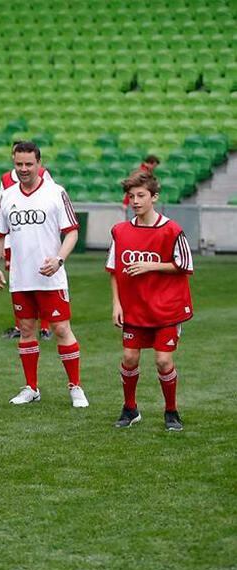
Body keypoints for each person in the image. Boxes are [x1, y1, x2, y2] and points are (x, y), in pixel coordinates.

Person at [0, 141, 89, 408]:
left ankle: (75, 387)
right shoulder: (8, 196)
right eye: (18, 164)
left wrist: (59, 259)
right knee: (26, 329)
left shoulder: (56, 193)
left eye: (28, 164)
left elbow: (72, 231)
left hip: (51, 278)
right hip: (20, 278)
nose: (23, 169)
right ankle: (31, 388)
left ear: (39, 164)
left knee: (61, 329)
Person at [107, 170, 193, 431]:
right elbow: (114, 270)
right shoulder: (120, 231)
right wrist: (117, 304)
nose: (135, 201)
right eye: (131, 196)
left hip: (167, 308)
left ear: (154, 197)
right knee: (129, 357)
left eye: (141, 195)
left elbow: (185, 264)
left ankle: (171, 412)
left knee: (163, 361)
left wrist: (151, 266)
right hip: (134, 308)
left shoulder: (172, 230)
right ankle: (130, 409)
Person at [0, 142, 53, 341]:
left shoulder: (43, 175)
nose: (23, 166)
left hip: (37, 237)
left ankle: (45, 327)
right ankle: (20, 326)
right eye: (17, 158)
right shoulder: (6, 179)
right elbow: (1, 210)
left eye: (27, 162)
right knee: (19, 281)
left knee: (42, 281)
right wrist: (2, 243)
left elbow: (49, 202)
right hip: (15, 238)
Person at [122, 155, 160, 219]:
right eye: (154, 166)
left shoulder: (144, 171)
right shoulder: (142, 173)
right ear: (150, 163)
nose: (154, 168)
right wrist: (125, 203)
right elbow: (131, 189)